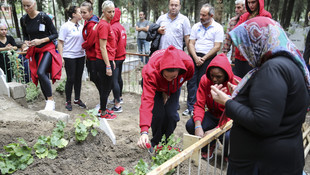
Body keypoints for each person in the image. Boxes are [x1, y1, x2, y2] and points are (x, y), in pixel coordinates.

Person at [210, 17, 310, 175]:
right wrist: (245, 94)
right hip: (280, 159)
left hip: (262, 163)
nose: (244, 52)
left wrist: (227, 102)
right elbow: (276, 104)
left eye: (246, 46)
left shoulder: (272, 69)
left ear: (259, 41)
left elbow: (263, 122)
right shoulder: (288, 63)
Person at [137, 45, 194, 150]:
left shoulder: (188, 65)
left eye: (172, 76)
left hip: (174, 87)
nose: (168, 79)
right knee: (158, 115)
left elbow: (186, 77)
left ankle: (167, 143)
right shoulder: (151, 72)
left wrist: (169, 90)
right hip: (156, 86)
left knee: (171, 115)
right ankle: (156, 143)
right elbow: (147, 101)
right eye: (166, 76)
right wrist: (144, 131)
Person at [185, 53, 240, 159]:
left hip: (230, 120)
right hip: (213, 115)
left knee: (230, 137)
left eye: (218, 76)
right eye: (212, 75)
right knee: (191, 125)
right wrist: (198, 126)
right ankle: (209, 146)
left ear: (226, 74)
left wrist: (217, 130)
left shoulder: (235, 84)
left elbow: (236, 113)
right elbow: (199, 105)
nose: (214, 79)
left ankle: (228, 154)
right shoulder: (205, 80)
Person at [183, 4, 224, 117]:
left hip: (208, 57)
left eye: (204, 15)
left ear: (211, 15)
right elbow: (191, 43)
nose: (201, 17)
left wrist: (204, 58)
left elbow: (217, 46)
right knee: (191, 81)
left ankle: (201, 106)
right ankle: (191, 107)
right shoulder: (196, 26)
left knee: (203, 82)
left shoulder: (218, 28)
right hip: (195, 55)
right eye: (200, 14)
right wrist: (195, 57)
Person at [21, 0, 62, 111]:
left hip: (48, 48)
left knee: (41, 71)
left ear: (34, 4)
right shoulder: (24, 19)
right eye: (24, 5)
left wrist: (41, 40)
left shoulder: (44, 17)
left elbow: (55, 34)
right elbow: (25, 36)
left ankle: (50, 100)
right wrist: (26, 43)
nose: (26, 8)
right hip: (35, 50)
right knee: (39, 75)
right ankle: (47, 102)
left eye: (28, 5)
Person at [232, 0, 271, 78]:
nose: (250, 5)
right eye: (248, 3)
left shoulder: (265, 15)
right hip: (240, 55)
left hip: (254, 57)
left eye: (253, 2)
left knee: (251, 81)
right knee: (237, 81)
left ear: (259, 2)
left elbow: (262, 35)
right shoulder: (245, 16)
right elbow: (236, 31)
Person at [58, 5, 86, 111]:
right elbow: (60, 43)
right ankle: (68, 100)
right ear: (73, 14)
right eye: (80, 12)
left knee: (78, 78)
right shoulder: (66, 26)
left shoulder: (82, 26)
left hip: (80, 56)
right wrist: (61, 58)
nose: (82, 14)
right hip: (69, 56)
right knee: (71, 78)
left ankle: (77, 99)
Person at [95, 0, 116, 119]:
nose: (112, 14)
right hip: (103, 61)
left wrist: (111, 60)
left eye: (113, 11)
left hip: (107, 60)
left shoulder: (107, 24)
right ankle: (103, 112)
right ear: (103, 12)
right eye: (109, 12)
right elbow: (102, 47)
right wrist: (108, 65)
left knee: (106, 87)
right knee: (106, 88)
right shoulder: (103, 25)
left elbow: (108, 47)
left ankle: (104, 109)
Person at [80, 1, 100, 109]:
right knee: (94, 78)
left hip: (94, 56)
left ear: (90, 12)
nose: (82, 15)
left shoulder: (92, 24)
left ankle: (103, 102)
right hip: (90, 55)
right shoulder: (87, 22)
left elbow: (90, 41)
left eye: (84, 13)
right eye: (81, 12)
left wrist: (81, 46)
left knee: (96, 78)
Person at [107, 7, 127, 113]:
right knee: (119, 78)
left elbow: (112, 45)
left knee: (114, 81)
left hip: (116, 57)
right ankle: (119, 97)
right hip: (122, 56)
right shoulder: (121, 27)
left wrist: (111, 58)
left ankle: (117, 105)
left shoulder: (113, 28)